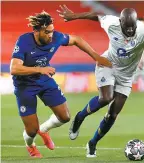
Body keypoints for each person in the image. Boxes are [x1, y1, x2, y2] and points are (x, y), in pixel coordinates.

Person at [57, 5, 144, 157]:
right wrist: (75, 16)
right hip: (107, 64)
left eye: (132, 27)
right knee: (106, 98)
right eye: (126, 27)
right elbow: (96, 15)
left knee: (112, 114)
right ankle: (80, 117)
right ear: (120, 22)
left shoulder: (143, 29)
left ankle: (93, 143)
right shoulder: (111, 22)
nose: (130, 31)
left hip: (127, 75)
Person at [10, 11, 112, 158]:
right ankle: (30, 145)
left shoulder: (56, 37)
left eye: (52, 31)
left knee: (65, 116)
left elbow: (77, 39)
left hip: (43, 80)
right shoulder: (24, 41)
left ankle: (44, 130)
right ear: (37, 31)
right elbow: (14, 68)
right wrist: (40, 69)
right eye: (47, 32)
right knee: (31, 130)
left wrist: (97, 57)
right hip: (24, 85)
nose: (51, 35)